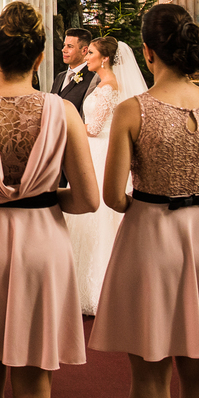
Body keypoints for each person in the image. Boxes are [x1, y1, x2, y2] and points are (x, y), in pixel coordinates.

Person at [89, 5, 199, 398]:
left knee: (150, 375)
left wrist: (145, 205)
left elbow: (112, 196)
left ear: (148, 52)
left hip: (150, 240)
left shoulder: (133, 110)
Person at [0, 2, 100, 398]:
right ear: (39, 58)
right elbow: (88, 199)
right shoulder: (62, 111)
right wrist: (46, 198)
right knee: (33, 386)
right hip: (42, 249)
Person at [63, 36, 147, 315]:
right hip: (96, 151)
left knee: (96, 221)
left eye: (92, 53)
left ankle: (98, 287)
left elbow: (94, 127)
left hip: (99, 153)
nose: (87, 57)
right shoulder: (102, 83)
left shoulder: (109, 86)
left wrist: (66, 125)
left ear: (106, 58)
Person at [50, 28, 98, 119]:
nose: (64, 50)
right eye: (64, 45)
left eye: (70, 46)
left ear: (84, 50)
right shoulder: (60, 77)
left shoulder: (93, 80)